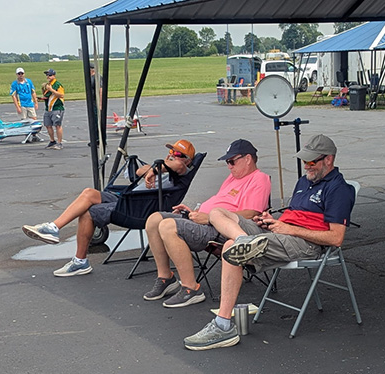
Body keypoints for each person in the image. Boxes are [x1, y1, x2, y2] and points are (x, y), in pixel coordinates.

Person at [183, 134, 355, 350]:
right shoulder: (305, 181)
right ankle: (244, 239)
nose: (306, 166)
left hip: (305, 243)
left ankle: (223, 325)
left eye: (311, 162)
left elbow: (336, 238)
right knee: (218, 213)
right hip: (281, 232)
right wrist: (271, 222)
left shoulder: (339, 189)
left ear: (328, 160)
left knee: (230, 248)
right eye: (304, 161)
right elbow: (293, 215)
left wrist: (287, 228)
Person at [21, 139, 196, 277]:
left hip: (138, 208)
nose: (171, 155)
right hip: (130, 199)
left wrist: (157, 169)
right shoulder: (163, 168)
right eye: (170, 151)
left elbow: (177, 165)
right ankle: (53, 228)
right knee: (89, 193)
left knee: (89, 212)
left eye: (176, 153)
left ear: (187, 160)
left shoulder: (181, 170)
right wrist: (153, 170)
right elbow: (139, 171)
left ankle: (80, 261)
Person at [143, 139, 271, 308]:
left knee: (167, 226)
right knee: (154, 220)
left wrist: (208, 217)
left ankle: (191, 289)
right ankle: (166, 277)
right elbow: (219, 202)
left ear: (248, 159)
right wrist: (195, 212)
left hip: (221, 229)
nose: (229, 166)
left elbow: (251, 214)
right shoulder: (233, 178)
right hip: (204, 219)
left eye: (232, 161)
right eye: (227, 162)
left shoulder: (259, 179)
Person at [10, 68, 42, 143]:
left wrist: (36, 102)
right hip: (22, 104)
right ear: (17, 75)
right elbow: (14, 96)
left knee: (34, 119)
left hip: (30, 103)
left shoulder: (29, 82)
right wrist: (17, 106)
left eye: (22, 74)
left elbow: (33, 92)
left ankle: (34, 135)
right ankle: (26, 136)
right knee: (24, 121)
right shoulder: (15, 84)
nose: (20, 75)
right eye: (19, 74)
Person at [40, 69, 65, 150]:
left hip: (57, 108)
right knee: (48, 125)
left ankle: (60, 142)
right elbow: (48, 96)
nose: (48, 77)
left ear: (54, 76)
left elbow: (61, 95)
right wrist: (43, 98)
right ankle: (52, 141)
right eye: (47, 75)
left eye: (49, 75)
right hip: (48, 108)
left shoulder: (57, 85)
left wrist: (52, 90)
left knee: (57, 125)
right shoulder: (48, 85)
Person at [89, 64, 105, 147]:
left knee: (96, 121)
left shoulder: (97, 77)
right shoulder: (91, 78)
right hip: (92, 102)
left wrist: (100, 104)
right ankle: (95, 138)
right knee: (94, 121)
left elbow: (100, 90)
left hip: (96, 102)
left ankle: (99, 139)